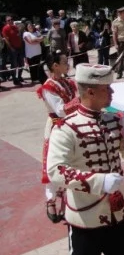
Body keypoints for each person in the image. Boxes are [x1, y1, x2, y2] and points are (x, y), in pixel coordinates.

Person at [47, 63, 124, 255]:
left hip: (119, 216)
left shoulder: (114, 120)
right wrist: (100, 181)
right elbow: (55, 171)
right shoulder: (66, 128)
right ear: (90, 92)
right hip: (86, 220)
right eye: (106, 88)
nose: (112, 91)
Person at [36, 51, 79, 222]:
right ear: (55, 66)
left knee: (71, 160)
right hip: (57, 127)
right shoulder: (49, 87)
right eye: (64, 62)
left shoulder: (66, 82)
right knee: (54, 163)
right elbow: (60, 110)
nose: (67, 64)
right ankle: (50, 199)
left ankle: (68, 197)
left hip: (70, 125)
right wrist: (80, 100)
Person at [2, 15, 25, 86]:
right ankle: (15, 79)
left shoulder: (15, 27)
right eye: (8, 20)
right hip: (13, 49)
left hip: (20, 47)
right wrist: (11, 48)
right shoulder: (5, 29)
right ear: (6, 22)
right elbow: (6, 40)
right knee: (14, 64)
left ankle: (19, 77)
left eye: (11, 19)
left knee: (21, 63)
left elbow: (19, 35)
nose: (10, 21)